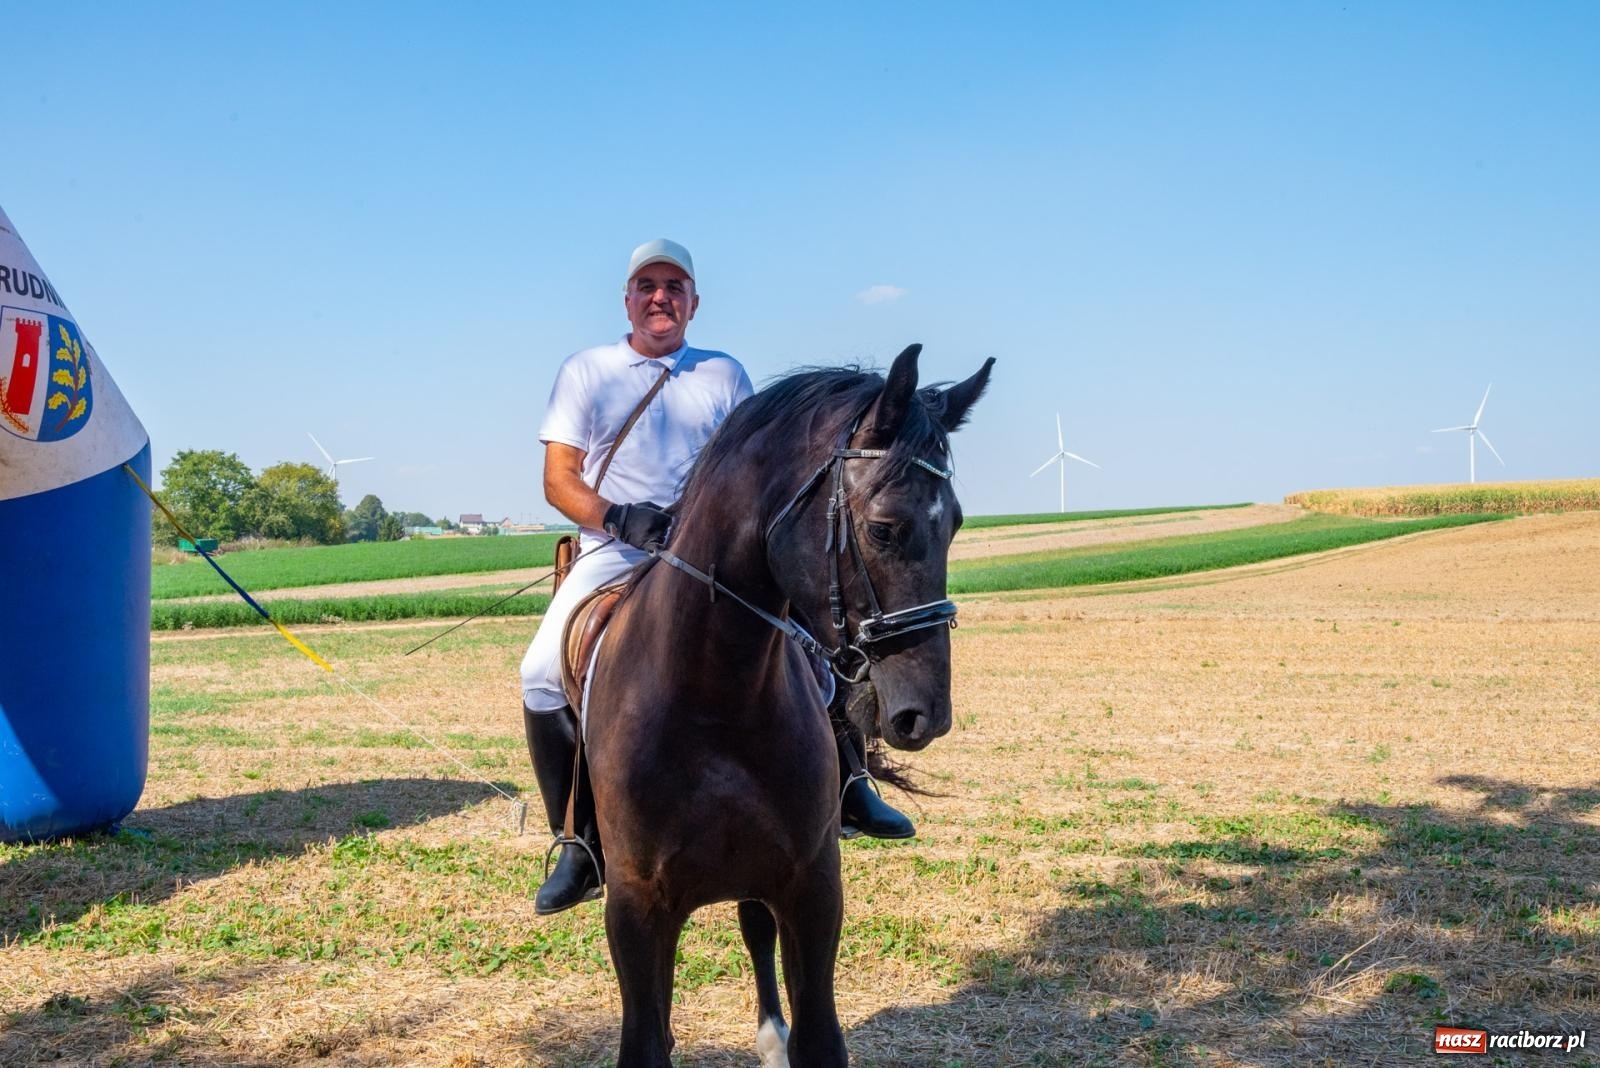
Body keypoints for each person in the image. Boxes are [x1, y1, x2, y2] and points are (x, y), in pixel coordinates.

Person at [521, 238, 914, 916]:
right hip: (616, 549)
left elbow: (758, 470)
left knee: (815, 649)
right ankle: (581, 843)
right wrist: (620, 519)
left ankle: (850, 783)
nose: (660, 297)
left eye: (674, 287)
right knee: (539, 674)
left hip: (709, 553)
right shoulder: (586, 371)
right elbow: (559, 479)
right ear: (627, 298)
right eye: (647, 285)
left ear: (694, 302)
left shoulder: (725, 375)